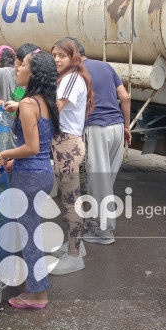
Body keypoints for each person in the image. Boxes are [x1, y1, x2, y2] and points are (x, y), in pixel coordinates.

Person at [0, 50, 60, 308]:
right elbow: (40, 146)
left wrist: (5, 154)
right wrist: (15, 160)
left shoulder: (28, 104)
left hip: (30, 177)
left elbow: (31, 146)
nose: (17, 69)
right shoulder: (44, 101)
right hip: (40, 171)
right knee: (31, 232)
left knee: (30, 235)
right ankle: (31, 285)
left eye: (22, 66)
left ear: (33, 74)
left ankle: (37, 295)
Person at [68, 37, 132, 245]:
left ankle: (105, 233)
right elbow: (125, 97)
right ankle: (95, 223)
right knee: (105, 181)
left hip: (97, 129)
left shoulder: (75, 73)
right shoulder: (106, 66)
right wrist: (126, 125)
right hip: (116, 129)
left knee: (99, 182)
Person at [49, 38, 94, 275]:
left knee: (71, 201)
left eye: (62, 56)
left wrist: (24, 106)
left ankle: (74, 256)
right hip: (65, 143)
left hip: (68, 145)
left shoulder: (70, 78)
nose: (57, 59)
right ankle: (78, 245)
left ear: (72, 57)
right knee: (70, 199)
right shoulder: (71, 77)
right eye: (54, 55)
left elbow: (56, 107)